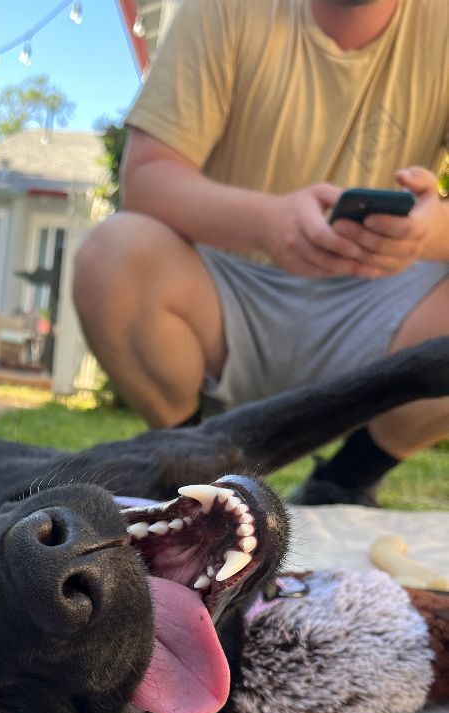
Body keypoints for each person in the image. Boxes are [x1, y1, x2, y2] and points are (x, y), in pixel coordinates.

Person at [73, 0, 449, 505]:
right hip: (224, 301)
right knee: (111, 255)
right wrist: (267, 224)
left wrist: (427, 232)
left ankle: (345, 482)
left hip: (385, 306)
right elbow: (145, 180)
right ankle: (195, 466)